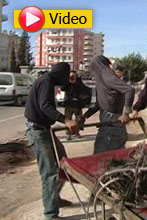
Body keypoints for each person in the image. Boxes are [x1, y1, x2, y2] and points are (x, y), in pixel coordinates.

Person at [25, 62, 78, 220]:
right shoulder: (46, 81)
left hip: (46, 129)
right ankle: (50, 214)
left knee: (64, 163)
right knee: (50, 173)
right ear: (61, 74)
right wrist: (66, 120)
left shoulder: (47, 81)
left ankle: (54, 199)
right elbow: (45, 106)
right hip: (37, 131)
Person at [82, 55, 135, 154]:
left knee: (99, 157)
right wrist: (86, 116)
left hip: (112, 124)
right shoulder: (101, 79)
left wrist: (126, 113)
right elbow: (100, 103)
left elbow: (129, 90)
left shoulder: (106, 75)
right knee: (116, 158)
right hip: (109, 123)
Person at [61, 70, 91, 140]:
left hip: (78, 105)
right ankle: (68, 133)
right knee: (68, 119)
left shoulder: (79, 83)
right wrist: (69, 82)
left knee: (78, 119)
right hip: (69, 104)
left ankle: (76, 132)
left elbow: (85, 91)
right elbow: (62, 88)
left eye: (74, 76)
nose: (72, 77)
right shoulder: (67, 83)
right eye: (71, 76)